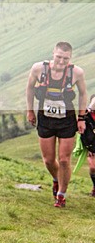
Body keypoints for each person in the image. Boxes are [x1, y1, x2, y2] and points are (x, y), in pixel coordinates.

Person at [26, 41, 88, 207]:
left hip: (67, 120)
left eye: (65, 59)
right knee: (48, 160)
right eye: (59, 57)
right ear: (53, 53)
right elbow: (30, 88)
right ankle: (56, 179)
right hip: (45, 118)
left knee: (64, 160)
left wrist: (81, 118)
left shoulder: (76, 72)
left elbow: (83, 94)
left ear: (70, 58)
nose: (61, 62)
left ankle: (61, 193)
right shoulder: (38, 69)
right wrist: (30, 110)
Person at [84, 95, 95, 196]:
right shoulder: (87, 116)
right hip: (92, 146)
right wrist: (88, 147)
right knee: (92, 167)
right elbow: (83, 132)